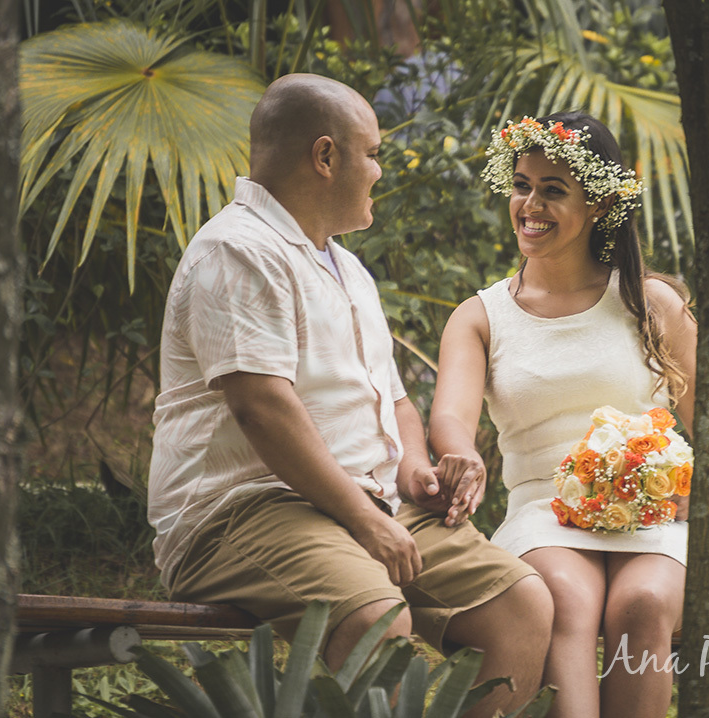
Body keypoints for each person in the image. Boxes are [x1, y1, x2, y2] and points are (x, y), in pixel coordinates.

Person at [147, 74, 552, 716]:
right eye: (374, 154)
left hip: (375, 500)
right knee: (377, 619)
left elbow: (393, 398)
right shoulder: (238, 250)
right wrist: (366, 521)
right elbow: (262, 407)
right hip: (245, 510)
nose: (380, 172)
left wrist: (414, 467)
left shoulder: (344, 264)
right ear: (326, 156)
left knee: (521, 606)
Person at [428, 112, 697, 718]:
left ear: (599, 205)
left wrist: (691, 491)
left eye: (554, 191)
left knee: (644, 605)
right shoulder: (481, 316)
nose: (531, 205)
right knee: (566, 600)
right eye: (522, 185)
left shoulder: (650, 302)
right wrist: (460, 455)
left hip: (652, 511)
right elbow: (450, 418)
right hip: (541, 513)